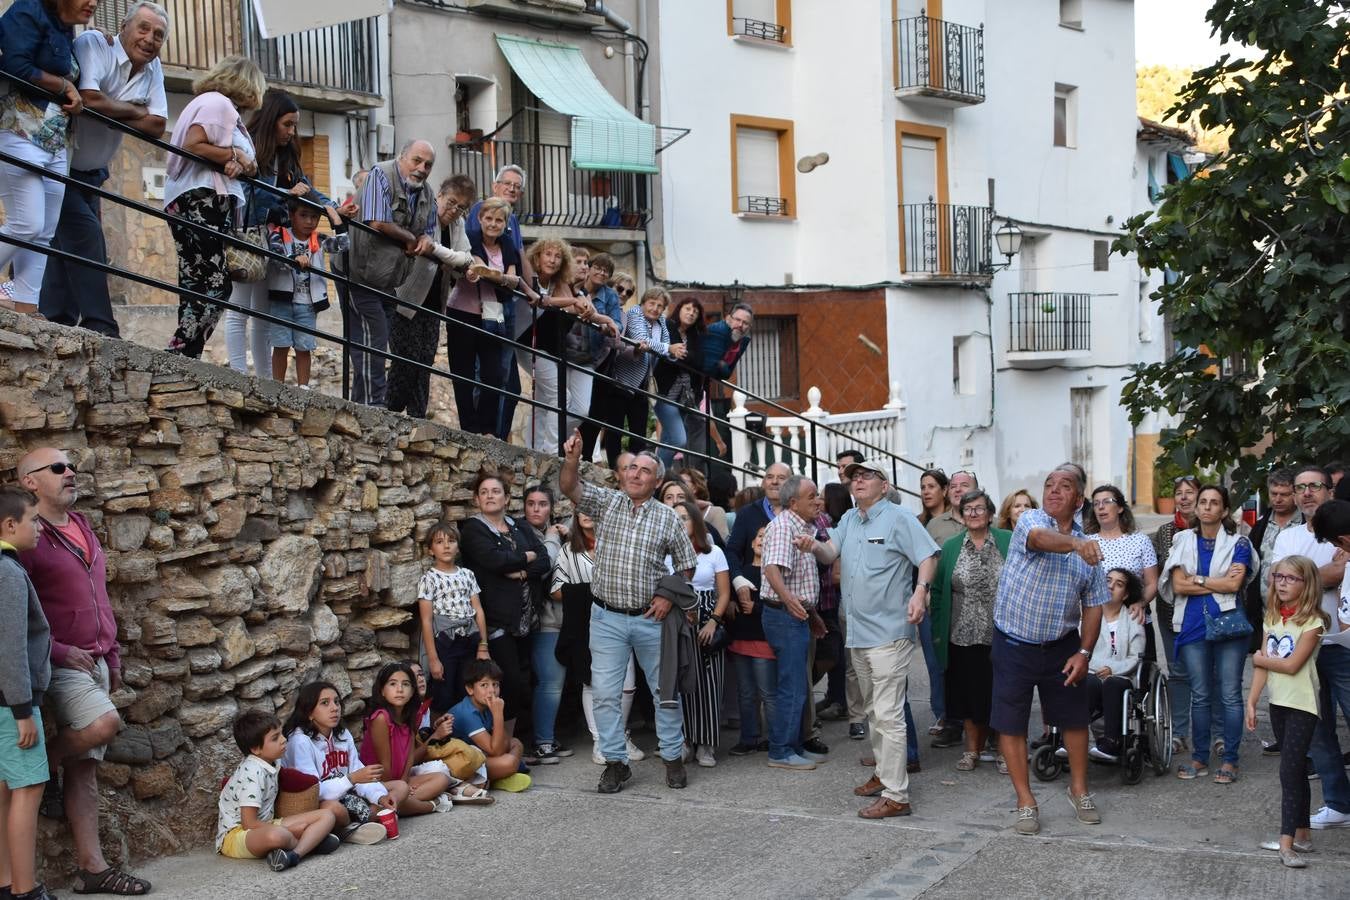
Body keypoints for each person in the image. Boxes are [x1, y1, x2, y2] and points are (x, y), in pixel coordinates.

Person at [17, 449, 150, 896]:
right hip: (61, 663)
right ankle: (40, 764)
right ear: (30, 482)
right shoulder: (28, 535)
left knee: (85, 771)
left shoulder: (83, 526)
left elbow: (100, 596)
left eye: (71, 465)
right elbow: (17, 613)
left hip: (95, 659)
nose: (70, 472)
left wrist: (110, 655)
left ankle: (92, 869)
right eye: (57, 468)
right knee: (105, 724)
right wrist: (56, 650)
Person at [559, 433, 698, 794]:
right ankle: (616, 763)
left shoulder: (668, 518)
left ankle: (672, 758)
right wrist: (572, 458)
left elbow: (687, 566)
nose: (635, 474)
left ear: (656, 480)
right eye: (631, 468)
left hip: (651, 619)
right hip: (605, 617)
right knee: (605, 693)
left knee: (662, 690)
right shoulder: (607, 503)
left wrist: (667, 595)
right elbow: (570, 486)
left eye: (645, 470)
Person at [990, 465, 1110, 836]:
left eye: (1065, 486)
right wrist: (1076, 544)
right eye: (1049, 484)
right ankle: (1025, 801)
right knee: (1011, 722)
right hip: (1013, 643)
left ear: (1078, 499)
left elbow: (1094, 604)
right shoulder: (1030, 522)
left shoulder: (1089, 549)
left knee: (1074, 720)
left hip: (1061, 646)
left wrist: (1085, 653)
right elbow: (1042, 540)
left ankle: (1079, 790)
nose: (1055, 491)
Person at [39, 1, 167, 336]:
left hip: (93, 173)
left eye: (158, 35)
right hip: (59, 164)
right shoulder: (94, 43)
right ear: (123, 26)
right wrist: (136, 110)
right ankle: (101, 325)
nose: (150, 39)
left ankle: (54, 317)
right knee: (85, 237)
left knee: (62, 246)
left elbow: (158, 125)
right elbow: (89, 99)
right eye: (143, 29)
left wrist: (127, 112)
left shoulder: (154, 70)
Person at [833, 460, 939, 819]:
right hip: (858, 633)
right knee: (874, 711)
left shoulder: (899, 517)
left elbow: (927, 555)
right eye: (854, 476)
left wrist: (920, 591)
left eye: (866, 476)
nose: (858, 480)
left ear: (884, 484)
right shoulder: (848, 520)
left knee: (889, 714)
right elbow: (827, 551)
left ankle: (897, 795)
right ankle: (883, 773)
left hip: (890, 633)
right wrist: (807, 545)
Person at [226, 89, 351, 376]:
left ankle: (265, 379)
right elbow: (244, 192)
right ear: (271, 120)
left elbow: (308, 189)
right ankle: (236, 375)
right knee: (239, 309)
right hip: (247, 233)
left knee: (262, 314)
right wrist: (285, 193)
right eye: (288, 124)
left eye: (295, 125)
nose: (292, 131)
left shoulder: (286, 157)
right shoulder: (249, 149)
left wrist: (333, 209)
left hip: (272, 240)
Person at [160, 55, 265, 356]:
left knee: (196, 279)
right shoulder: (218, 104)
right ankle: (183, 348)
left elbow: (248, 163)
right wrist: (234, 155)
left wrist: (237, 160)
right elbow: (193, 146)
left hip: (193, 197)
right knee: (217, 284)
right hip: (202, 199)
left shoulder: (212, 104)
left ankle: (185, 349)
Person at [1160, 484, 1255, 784]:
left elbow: (1233, 586)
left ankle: (1230, 761)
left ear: (1224, 510)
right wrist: (1216, 580)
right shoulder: (1181, 539)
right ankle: (1199, 758)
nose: (1207, 507)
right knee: (1199, 695)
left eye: (1214, 503)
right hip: (1191, 624)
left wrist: (1197, 579)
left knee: (1229, 694)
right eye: (1203, 502)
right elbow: (1178, 586)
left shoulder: (1239, 543)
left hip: (1229, 625)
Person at [0, 0, 90, 317]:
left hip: (56, 140)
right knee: (27, 223)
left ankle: (26, 305)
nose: (93, 3)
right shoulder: (28, 10)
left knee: (44, 231)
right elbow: (14, 64)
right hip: (18, 130)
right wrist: (64, 84)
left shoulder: (66, 29)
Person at [1274, 472, 1350, 828]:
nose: (1306, 493)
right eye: (1299, 488)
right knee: (1317, 732)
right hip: (1303, 649)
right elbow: (1278, 585)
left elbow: (1293, 581)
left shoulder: (1342, 530)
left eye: (1314, 486)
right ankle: (1338, 805)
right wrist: (1326, 573)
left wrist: (1301, 577)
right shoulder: (1287, 535)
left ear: (1329, 491)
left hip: (1343, 647)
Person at [458, 472, 550, 753]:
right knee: (509, 681)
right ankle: (507, 744)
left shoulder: (519, 526)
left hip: (526, 618)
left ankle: (521, 742)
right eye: (484, 492)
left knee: (527, 679)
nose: (489, 496)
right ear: (476, 498)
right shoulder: (473, 529)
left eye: (495, 491)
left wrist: (521, 569)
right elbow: (493, 560)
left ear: (507, 498)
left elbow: (544, 559)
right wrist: (524, 558)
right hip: (496, 618)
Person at [1245, 555, 1327, 869]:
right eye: (1279, 577)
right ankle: (1303, 835)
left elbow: (1291, 665)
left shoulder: (1314, 622)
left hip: (1303, 705)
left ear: (1307, 585)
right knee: (1295, 771)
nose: (1282, 583)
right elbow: (1264, 667)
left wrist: (1259, 659)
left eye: (1291, 579)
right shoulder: (1272, 617)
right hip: (1278, 704)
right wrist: (1253, 701)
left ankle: (1286, 843)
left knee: (1289, 772)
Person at [346, 139, 440, 405]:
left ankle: (360, 405)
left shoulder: (427, 194)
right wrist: (411, 238)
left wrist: (425, 242)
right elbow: (377, 221)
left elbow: (429, 233)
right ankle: (374, 406)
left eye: (428, 165)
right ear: (402, 157)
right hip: (359, 273)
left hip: (389, 280)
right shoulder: (381, 174)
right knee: (372, 341)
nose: (422, 168)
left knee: (377, 341)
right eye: (417, 160)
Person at [550, 511, 645, 765]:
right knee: (592, 682)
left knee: (627, 683)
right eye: (583, 510)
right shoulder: (569, 550)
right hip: (584, 624)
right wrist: (591, 591)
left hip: (619, 619)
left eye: (594, 510)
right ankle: (600, 741)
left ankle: (619, 736)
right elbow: (556, 590)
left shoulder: (618, 544)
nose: (589, 515)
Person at [929, 489, 1011, 773]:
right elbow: (938, 590)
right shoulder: (951, 546)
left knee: (999, 693)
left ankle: (1004, 751)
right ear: (961, 516)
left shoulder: (1006, 541)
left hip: (999, 632)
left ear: (990, 514)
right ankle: (971, 750)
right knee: (966, 693)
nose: (973, 514)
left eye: (979, 509)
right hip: (961, 633)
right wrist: (938, 629)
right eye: (968, 509)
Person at [760, 476, 838, 772]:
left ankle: (792, 746)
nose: (818, 500)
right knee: (792, 687)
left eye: (818, 495)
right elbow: (771, 570)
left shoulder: (802, 526)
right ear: (793, 503)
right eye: (811, 496)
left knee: (798, 686)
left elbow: (801, 582)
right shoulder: (783, 527)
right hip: (784, 616)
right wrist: (790, 603)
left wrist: (812, 615)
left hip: (797, 615)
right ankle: (780, 751)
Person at [0, 486, 54, 900]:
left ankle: (6, 883)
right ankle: (26, 890)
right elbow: (11, 646)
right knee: (28, 791)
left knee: (4, 793)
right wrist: (22, 709)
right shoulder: (8, 572)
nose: (39, 527)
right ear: (9, 524)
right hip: (12, 705)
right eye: (34, 520)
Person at [385, 177, 474, 419]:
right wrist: (449, 257)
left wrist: (438, 251)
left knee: (424, 362)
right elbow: (421, 244)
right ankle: (389, 411)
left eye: (461, 207)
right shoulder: (425, 215)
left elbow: (466, 259)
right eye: (452, 202)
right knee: (406, 360)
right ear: (440, 196)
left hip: (434, 303)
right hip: (407, 298)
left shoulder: (457, 226)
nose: (454, 210)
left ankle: (416, 416)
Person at [280, 681, 403, 845]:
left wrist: (379, 796)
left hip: (347, 795)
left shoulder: (343, 734)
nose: (334, 708)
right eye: (325, 703)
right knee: (333, 809)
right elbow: (313, 790)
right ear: (309, 712)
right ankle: (348, 830)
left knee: (399, 787)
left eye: (336, 702)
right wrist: (351, 779)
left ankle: (354, 826)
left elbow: (359, 773)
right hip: (317, 803)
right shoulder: (300, 741)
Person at [517, 238, 610, 454]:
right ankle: (549, 452)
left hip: (547, 349)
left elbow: (575, 309)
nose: (553, 260)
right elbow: (542, 301)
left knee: (550, 402)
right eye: (548, 255)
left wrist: (609, 321)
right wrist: (574, 303)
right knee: (559, 398)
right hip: (526, 342)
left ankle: (542, 449)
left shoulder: (561, 284)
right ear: (537, 257)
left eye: (558, 256)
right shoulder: (531, 277)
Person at [216, 710, 338, 871]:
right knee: (278, 836)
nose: (283, 740)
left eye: (281, 734)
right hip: (237, 836)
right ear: (255, 748)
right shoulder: (252, 773)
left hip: (265, 824)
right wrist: (288, 829)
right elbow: (248, 823)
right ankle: (311, 843)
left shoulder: (272, 761)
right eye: (275, 738)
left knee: (326, 815)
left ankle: (295, 854)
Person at [465, 165, 530, 438]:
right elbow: (474, 252)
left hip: (507, 302)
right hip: (483, 302)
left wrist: (531, 290)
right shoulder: (483, 210)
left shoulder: (511, 219)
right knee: (486, 373)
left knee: (507, 380)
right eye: (507, 183)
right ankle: (483, 433)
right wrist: (507, 279)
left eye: (517, 186)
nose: (512, 188)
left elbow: (518, 257)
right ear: (495, 186)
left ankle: (498, 436)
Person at [448, 198, 522, 436]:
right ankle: (469, 428)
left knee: (494, 374)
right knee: (464, 374)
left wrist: (498, 277)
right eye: (488, 218)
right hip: (462, 311)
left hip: (492, 316)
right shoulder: (469, 237)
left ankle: (487, 429)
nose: (493, 224)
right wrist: (502, 278)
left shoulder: (507, 243)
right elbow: (483, 272)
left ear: (505, 223)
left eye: (499, 220)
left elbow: (512, 278)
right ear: (479, 219)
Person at [673, 500, 732, 768]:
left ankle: (706, 744)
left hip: (708, 617)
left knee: (709, 683)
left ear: (695, 521)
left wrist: (713, 622)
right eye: (675, 518)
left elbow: (724, 592)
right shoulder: (665, 552)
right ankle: (684, 741)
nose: (680, 522)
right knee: (681, 682)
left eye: (685, 517)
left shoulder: (714, 552)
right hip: (677, 620)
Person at [264, 196, 343, 387]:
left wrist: (336, 219)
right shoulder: (279, 234)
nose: (309, 221)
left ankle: (304, 388)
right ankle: (277, 387)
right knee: (281, 346)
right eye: (303, 215)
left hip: (308, 304)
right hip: (282, 301)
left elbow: (343, 245)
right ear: (291, 215)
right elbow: (275, 257)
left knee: (304, 347)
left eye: (315, 217)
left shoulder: (319, 239)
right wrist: (294, 258)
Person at [358, 662, 455, 816]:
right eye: (392, 684)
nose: (399, 689)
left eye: (406, 684)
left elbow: (409, 757)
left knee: (442, 779)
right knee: (385, 803)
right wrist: (399, 788)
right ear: (382, 691)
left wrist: (403, 784)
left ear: (412, 691)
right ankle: (431, 804)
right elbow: (385, 764)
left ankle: (399, 805)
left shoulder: (410, 715)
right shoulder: (381, 718)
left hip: (400, 780)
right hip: (378, 783)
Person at [415, 521, 489, 718]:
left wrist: (483, 646)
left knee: (466, 690)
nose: (446, 546)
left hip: (469, 639)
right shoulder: (429, 579)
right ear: (431, 550)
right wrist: (433, 659)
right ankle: (441, 740)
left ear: (458, 547)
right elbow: (426, 621)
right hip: (445, 642)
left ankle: (466, 738)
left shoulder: (467, 575)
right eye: (439, 542)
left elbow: (478, 611)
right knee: (443, 694)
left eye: (451, 541)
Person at [598, 287, 677, 466]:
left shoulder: (661, 322)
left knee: (638, 432)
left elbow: (665, 345)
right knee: (615, 429)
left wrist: (666, 348)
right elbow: (643, 340)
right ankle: (615, 469)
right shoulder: (634, 313)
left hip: (642, 383)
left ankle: (635, 468)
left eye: (660, 306)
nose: (655, 308)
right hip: (622, 379)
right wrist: (667, 349)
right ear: (643, 302)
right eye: (652, 303)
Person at [1248, 471, 1304, 721]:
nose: (1279, 499)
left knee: (1297, 675)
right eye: (1274, 494)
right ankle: (1281, 732)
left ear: (1294, 494)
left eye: (1284, 494)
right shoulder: (1261, 525)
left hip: (1300, 613)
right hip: (1267, 612)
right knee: (1273, 674)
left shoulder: (1304, 524)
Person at [522, 485, 571, 764]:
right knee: (550, 683)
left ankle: (548, 736)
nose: (536, 509)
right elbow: (544, 566)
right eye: (531, 503)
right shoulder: (520, 532)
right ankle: (542, 741)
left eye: (542, 504)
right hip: (542, 621)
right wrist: (553, 538)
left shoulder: (558, 533)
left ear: (551, 508)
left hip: (564, 618)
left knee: (559, 683)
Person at [1153, 474, 1202, 749]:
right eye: (1179, 492)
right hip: (1169, 611)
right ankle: (1179, 732)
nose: (1183, 497)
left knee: (1209, 673)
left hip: (1201, 609)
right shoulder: (1164, 532)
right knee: (1178, 671)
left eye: (1189, 492)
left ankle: (1214, 733)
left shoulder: (1211, 529)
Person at [1085, 484, 1159, 658]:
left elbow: (1152, 582)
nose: (1101, 507)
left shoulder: (1140, 541)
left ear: (1119, 508)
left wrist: (1140, 603)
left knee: (1140, 675)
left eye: (1107, 501)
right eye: (1096, 503)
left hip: (1134, 619)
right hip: (1098, 621)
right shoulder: (1086, 542)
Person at [1085, 569, 1147, 760]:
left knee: (1113, 684)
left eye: (1119, 584)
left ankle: (1111, 742)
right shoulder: (1088, 615)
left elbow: (1136, 657)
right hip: (1092, 673)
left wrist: (1113, 669)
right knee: (1085, 683)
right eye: (1108, 581)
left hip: (1122, 677)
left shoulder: (1133, 618)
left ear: (1126, 594)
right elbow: (1081, 651)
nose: (1111, 586)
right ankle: (1067, 738)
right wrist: (1100, 668)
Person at [727, 525, 774, 756]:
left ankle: (776, 738)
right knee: (745, 693)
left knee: (768, 694)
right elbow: (727, 595)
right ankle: (749, 738)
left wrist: (756, 607)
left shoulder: (774, 573)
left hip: (764, 642)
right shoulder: (740, 572)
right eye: (758, 535)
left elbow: (781, 605)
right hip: (741, 640)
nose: (761, 540)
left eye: (767, 536)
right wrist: (732, 603)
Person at [449, 659, 531, 792]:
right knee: (509, 763)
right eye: (484, 685)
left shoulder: (487, 706)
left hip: (479, 754)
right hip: (459, 762)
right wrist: (498, 714)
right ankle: (501, 775)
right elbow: (497, 751)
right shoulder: (467, 713)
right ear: (470, 689)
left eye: (495, 684)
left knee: (516, 742)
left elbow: (504, 744)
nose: (492, 691)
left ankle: (496, 777)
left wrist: (503, 749)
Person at [688, 302, 753, 467]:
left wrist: (722, 366)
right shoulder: (718, 331)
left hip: (700, 388)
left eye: (745, 323)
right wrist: (722, 366)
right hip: (689, 385)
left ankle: (695, 479)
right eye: (737, 319)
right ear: (728, 318)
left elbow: (727, 373)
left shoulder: (742, 340)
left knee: (697, 438)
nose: (740, 325)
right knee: (688, 438)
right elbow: (709, 368)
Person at [653, 295, 705, 467]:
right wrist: (677, 354)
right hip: (665, 393)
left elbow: (698, 361)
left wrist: (682, 355)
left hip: (686, 397)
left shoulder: (695, 335)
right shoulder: (668, 326)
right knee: (679, 440)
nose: (691, 313)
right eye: (688, 309)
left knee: (668, 439)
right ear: (679, 309)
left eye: (695, 312)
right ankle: (658, 474)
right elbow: (669, 355)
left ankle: (660, 478)